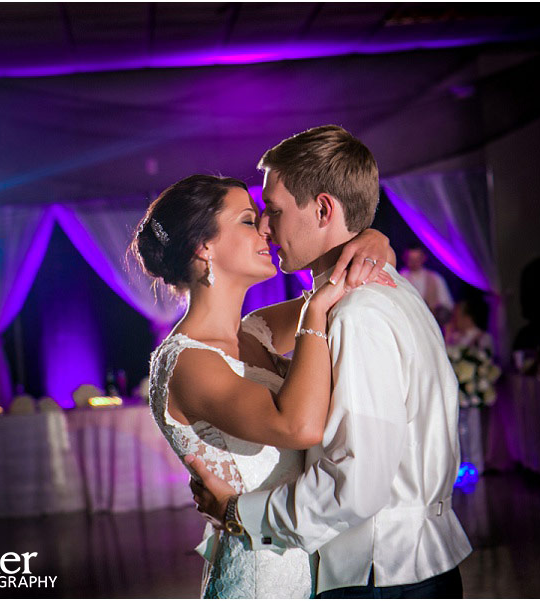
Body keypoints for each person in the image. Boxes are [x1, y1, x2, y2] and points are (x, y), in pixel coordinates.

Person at [187, 125, 472, 598]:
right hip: (408, 566)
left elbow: (356, 486)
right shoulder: (389, 290)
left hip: (380, 574)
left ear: (323, 209)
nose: (265, 227)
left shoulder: (355, 315)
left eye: (274, 211)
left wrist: (241, 514)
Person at [132, 173, 396, 598]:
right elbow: (299, 427)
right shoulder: (185, 363)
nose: (267, 231)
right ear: (205, 248)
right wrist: (314, 316)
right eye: (248, 220)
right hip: (260, 581)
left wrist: (375, 239)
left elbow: (345, 281)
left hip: (314, 562)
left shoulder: (254, 334)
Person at [398, 244, 455, 324]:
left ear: (423, 258)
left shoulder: (435, 278)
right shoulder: (400, 277)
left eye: (417, 259)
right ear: (405, 258)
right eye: (411, 259)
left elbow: (447, 304)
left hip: (431, 323)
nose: (414, 263)